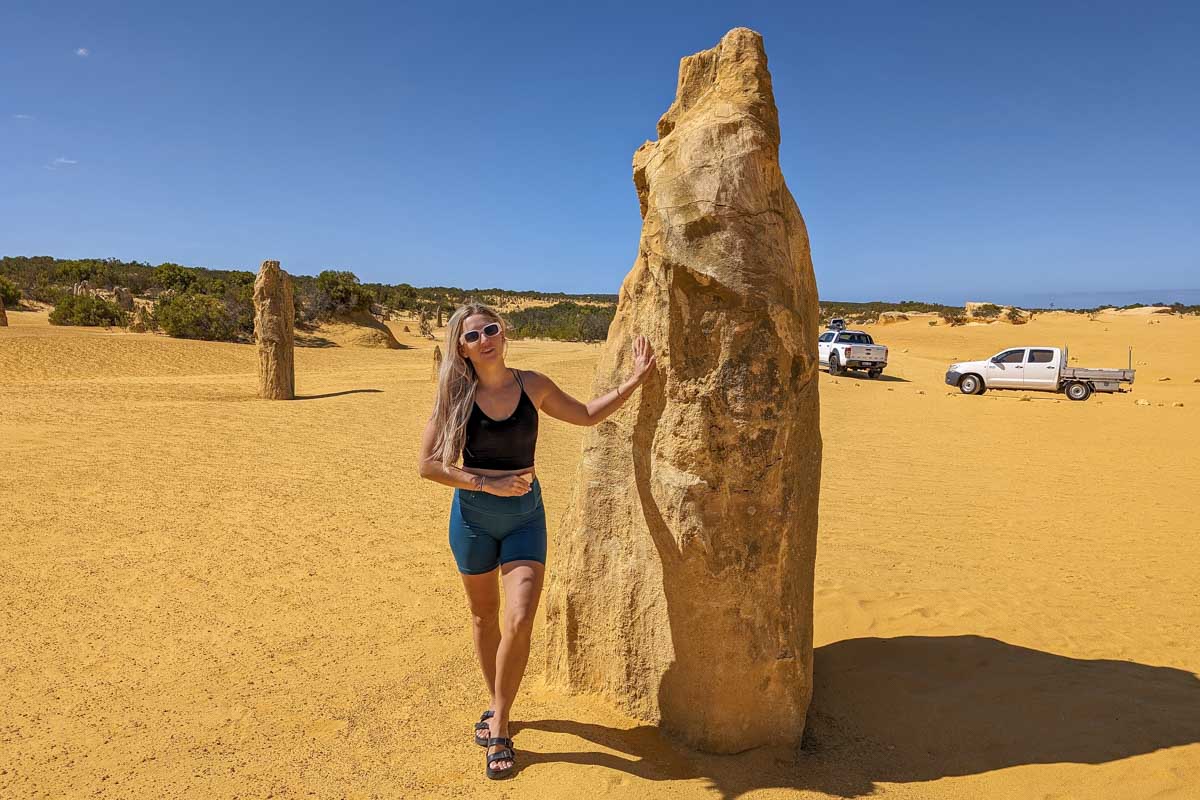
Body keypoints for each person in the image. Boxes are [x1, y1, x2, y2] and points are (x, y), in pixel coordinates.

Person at [418, 302, 656, 780]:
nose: (485, 338)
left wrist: (633, 380)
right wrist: (487, 484)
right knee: (485, 617)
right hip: (473, 520)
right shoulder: (456, 396)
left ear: (502, 333)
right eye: (472, 336)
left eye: (491, 328)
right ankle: (496, 702)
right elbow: (428, 465)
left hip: (526, 517)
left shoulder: (534, 385)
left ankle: (500, 724)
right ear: (462, 350)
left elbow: (587, 415)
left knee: (520, 616)